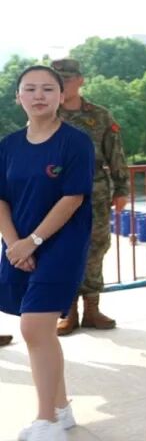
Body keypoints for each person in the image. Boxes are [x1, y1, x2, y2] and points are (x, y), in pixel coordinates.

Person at [0, 66, 95, 441]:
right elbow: (1, 200)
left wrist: (34, 241)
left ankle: (46, 421)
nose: (38, 95)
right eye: (30, 89)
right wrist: (15, 244)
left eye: (47, 89)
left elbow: (73, 198)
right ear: (18, 97)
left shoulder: (75, 142)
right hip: (19, 245)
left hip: (61, 245)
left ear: (61, 95)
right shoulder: (8, 146)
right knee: (39, 331)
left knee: (34, 328)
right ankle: (61, 410)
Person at [50, 59, 128, 336]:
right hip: (56, 194)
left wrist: (121, 188)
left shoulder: (100, 116)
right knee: (64, 250)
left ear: (80, 80)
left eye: (68, 79)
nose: (63, 84)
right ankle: (69, 311)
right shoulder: (46, 114)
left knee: (96, 249)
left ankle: (92, 310)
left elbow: (115, 153)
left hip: (95, 192)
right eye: (58, 79)